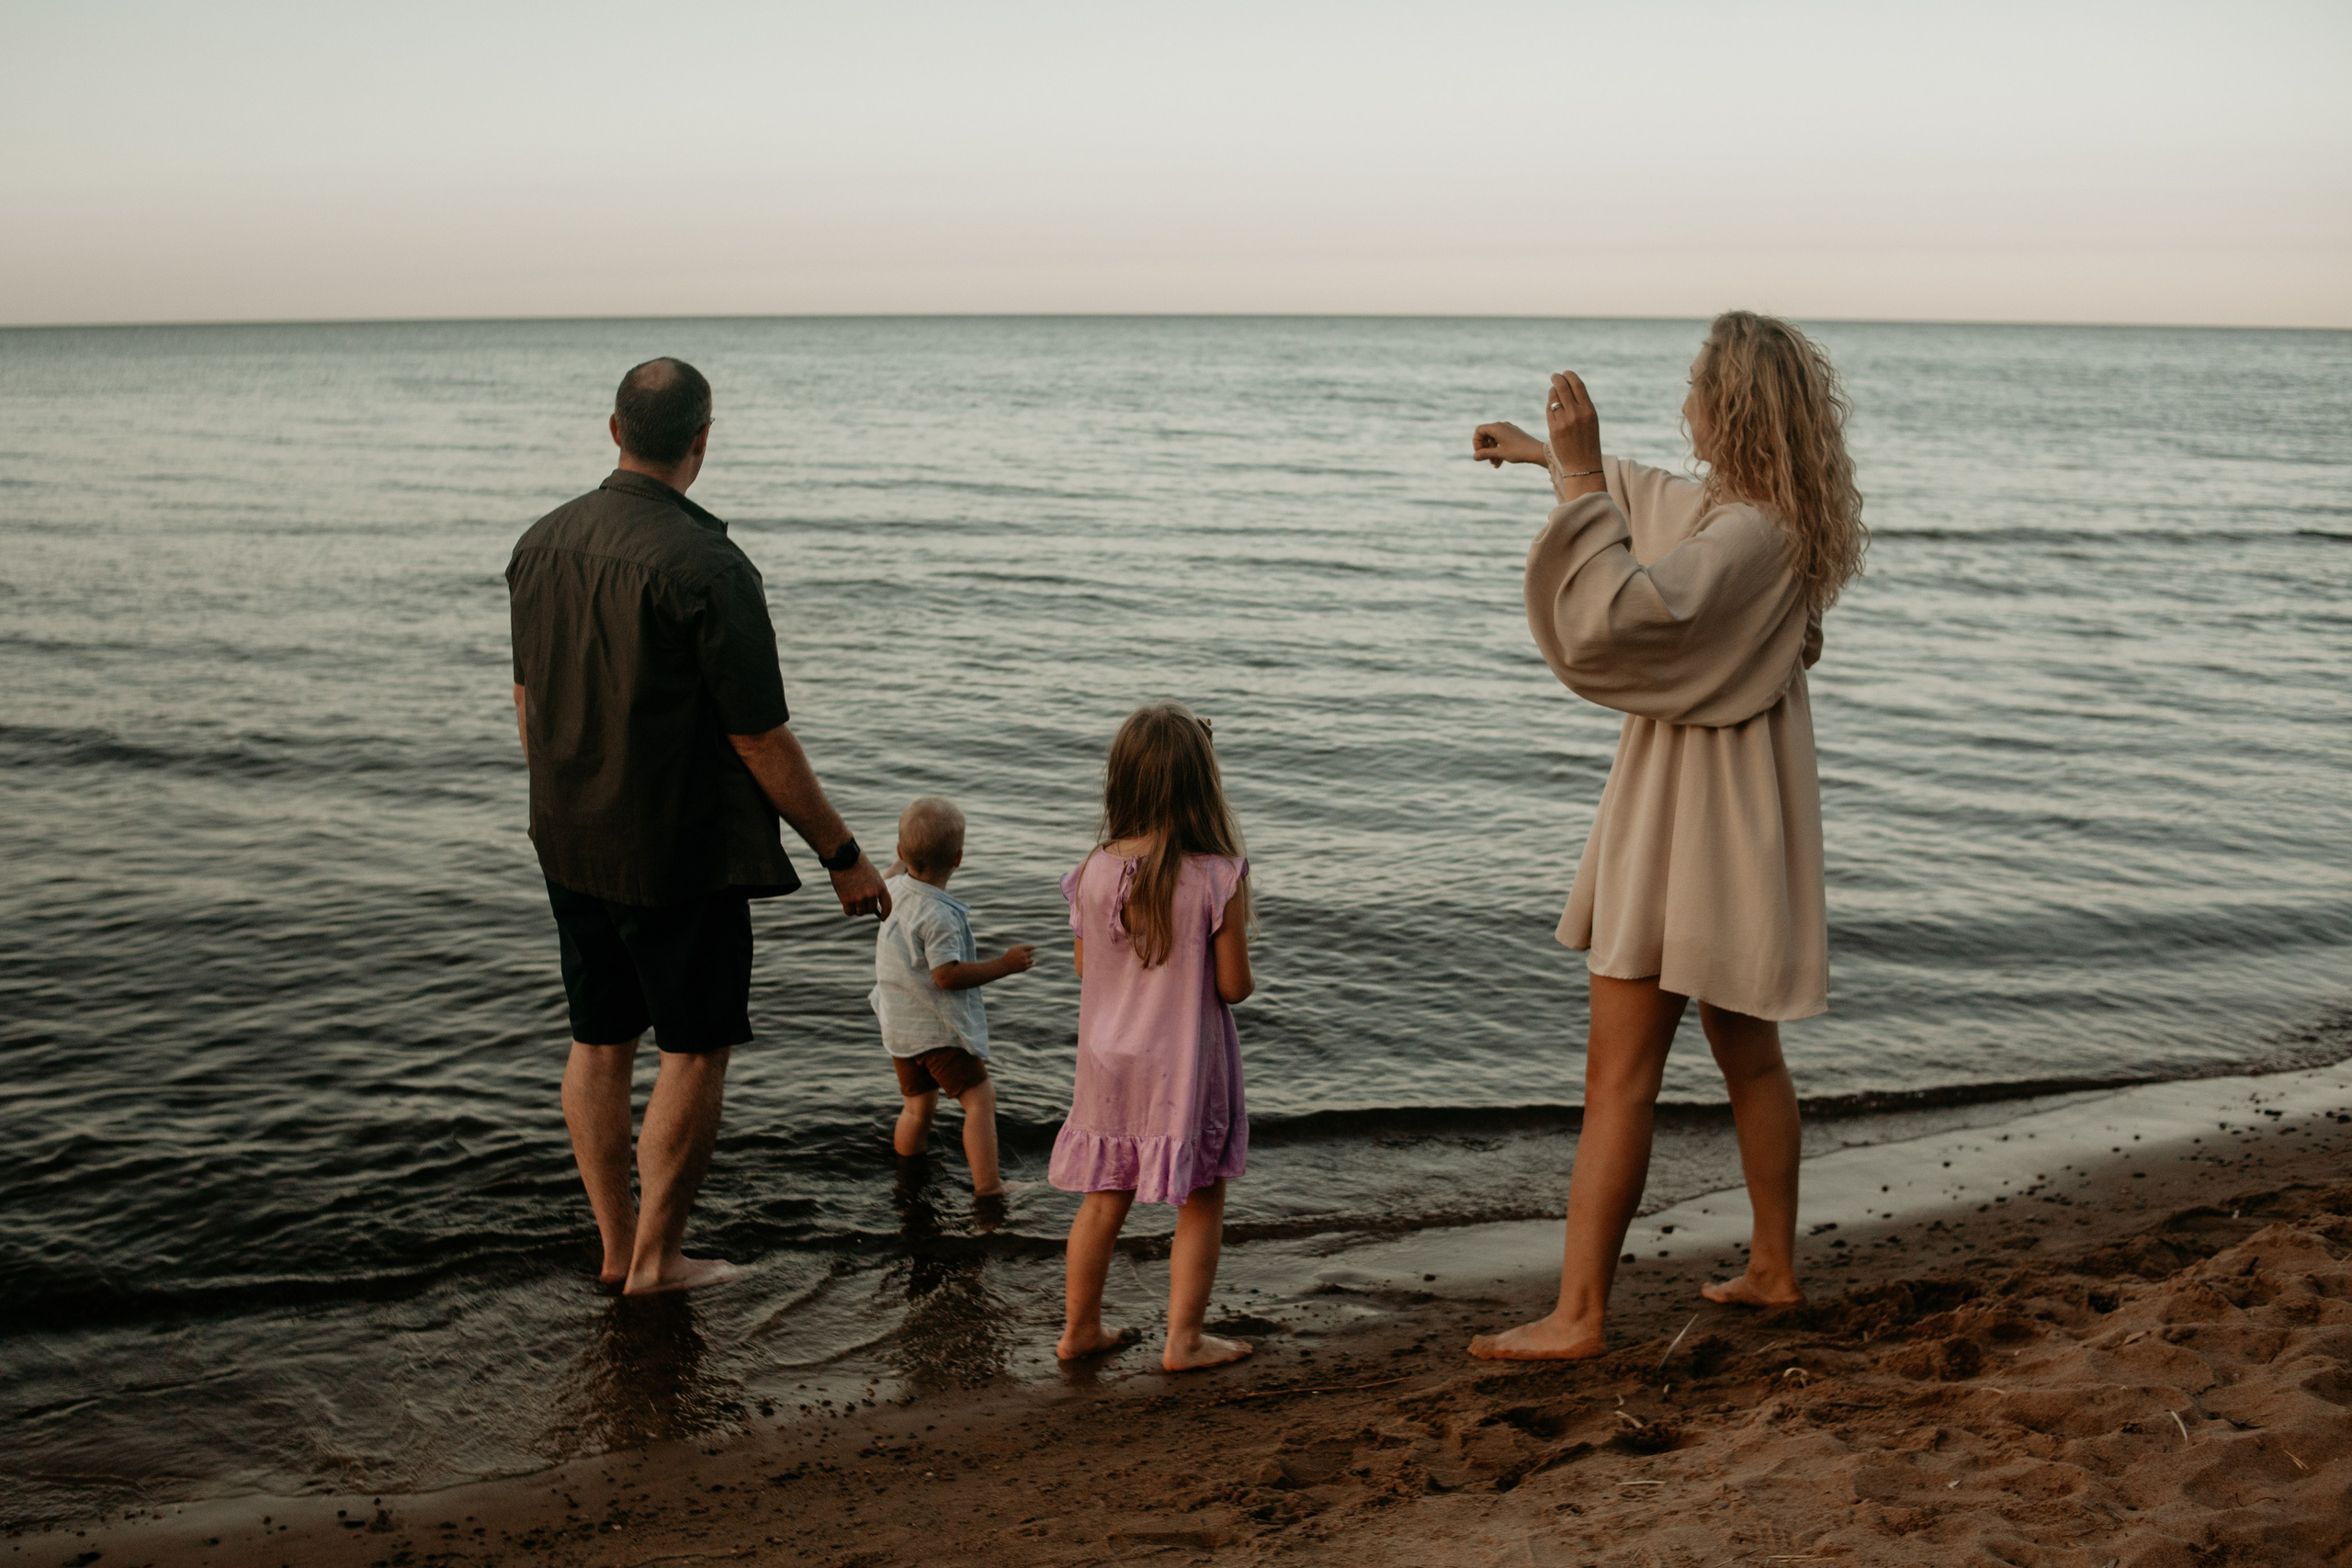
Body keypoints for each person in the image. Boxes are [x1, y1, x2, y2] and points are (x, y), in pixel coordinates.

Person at [1463, 310, 1868, 1359]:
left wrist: (1581, 483)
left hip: (1689, 817)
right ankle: (1773, 1268)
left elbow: (1626, 615)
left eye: (1696, 387)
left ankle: (1579, 1315)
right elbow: (1666, 504)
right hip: (1747, 826)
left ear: (1728, 406)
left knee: (1618, 1079)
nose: (1683, 403)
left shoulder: (1744, 539)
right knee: (1749, 1058)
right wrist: (1553, 461)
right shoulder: (1773, 523)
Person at [507, 356, 890, 1296]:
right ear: (702, 440)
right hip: (676, 850)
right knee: (692, 1047)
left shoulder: (539, 544)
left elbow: (526, 705)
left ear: (613, 431)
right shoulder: (712, 566)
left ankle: (615, 1247)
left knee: (599, 1040)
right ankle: (659, 1262)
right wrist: (842, 854)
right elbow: (758, 738)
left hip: (568, 836)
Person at [1051, 704, 1256, 1372]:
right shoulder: (1218, 874)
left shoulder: (1093, 870)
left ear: (1122, 782)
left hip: (1107, 1063)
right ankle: (1184, 1339)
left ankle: (1079, 1329)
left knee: (1104, 1194)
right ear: (1205, 784)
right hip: (1184, 1065)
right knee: (1202, 1194)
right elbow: (1232, 986)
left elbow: (1086, 969)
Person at [872, 795, 1036, 1196]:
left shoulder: (891, 889)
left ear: (899, 852)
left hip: (900, 1029)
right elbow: (946, 975)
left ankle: (907, 1176)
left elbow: (891, 871)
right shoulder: (939, 915)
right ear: (959, 858)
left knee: (917, 1107)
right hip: (938, 1030)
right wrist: (1005, 964)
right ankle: (990, 1186)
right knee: (981, 1100)